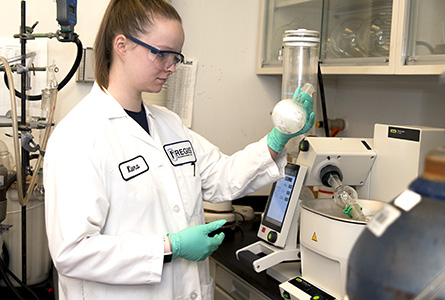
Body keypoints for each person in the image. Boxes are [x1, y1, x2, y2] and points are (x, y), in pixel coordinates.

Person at [43, 0, 314, 299]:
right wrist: (171, 247)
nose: (171, 67)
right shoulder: (79, 135)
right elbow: (73, 252)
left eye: (176, 56)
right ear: (121, 45)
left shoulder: (169, 124)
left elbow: (222, 177)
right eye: (161, 54)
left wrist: (276, 140)